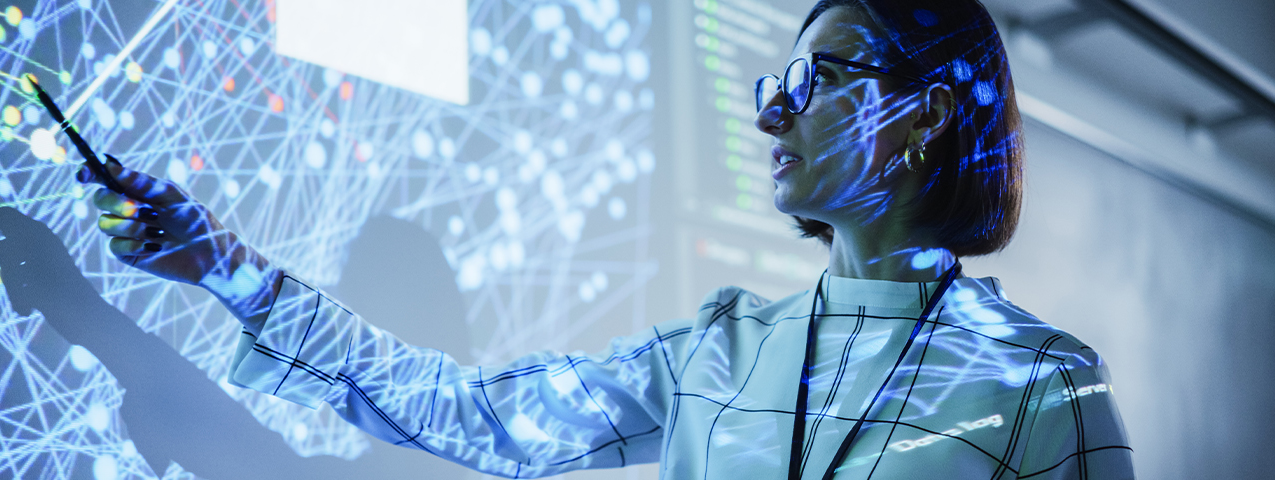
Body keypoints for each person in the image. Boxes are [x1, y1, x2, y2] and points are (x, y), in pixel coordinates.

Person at [81, 0, 1133, 478]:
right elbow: (477, 417)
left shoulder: (1043, 387)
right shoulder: (723, 350)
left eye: (818, 80)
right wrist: (223, 266)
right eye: (775, 84)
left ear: (927, 115)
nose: (772, 112)